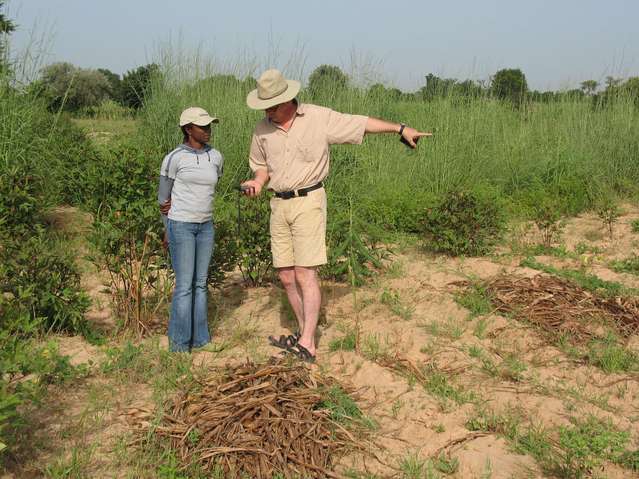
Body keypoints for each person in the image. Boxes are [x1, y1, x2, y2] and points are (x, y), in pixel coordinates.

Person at [241, 69, 430, 362]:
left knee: (305, 273)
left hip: (309, 202)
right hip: (278, 205)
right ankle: (305, 333)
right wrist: (257, 182)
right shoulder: (261, 130)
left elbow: (360, 123)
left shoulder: (317, 118)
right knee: (287, 276)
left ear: (289, 99)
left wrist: (400, 128)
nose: (268, 111)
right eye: (265, 105)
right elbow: (262, 166)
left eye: (273, 105)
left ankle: (307, 343)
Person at [158, 107, 223, 352]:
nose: (208, 131)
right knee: (184, 285)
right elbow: (163, 198)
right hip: (181, 226)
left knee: (201, 283)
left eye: (209, 126)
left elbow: (210, 188)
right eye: (202, 127)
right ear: (188, 129)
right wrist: (167, 229)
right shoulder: (174, 158)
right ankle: (179, 344)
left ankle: (201, 340)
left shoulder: (216, 156)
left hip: (206, 226)